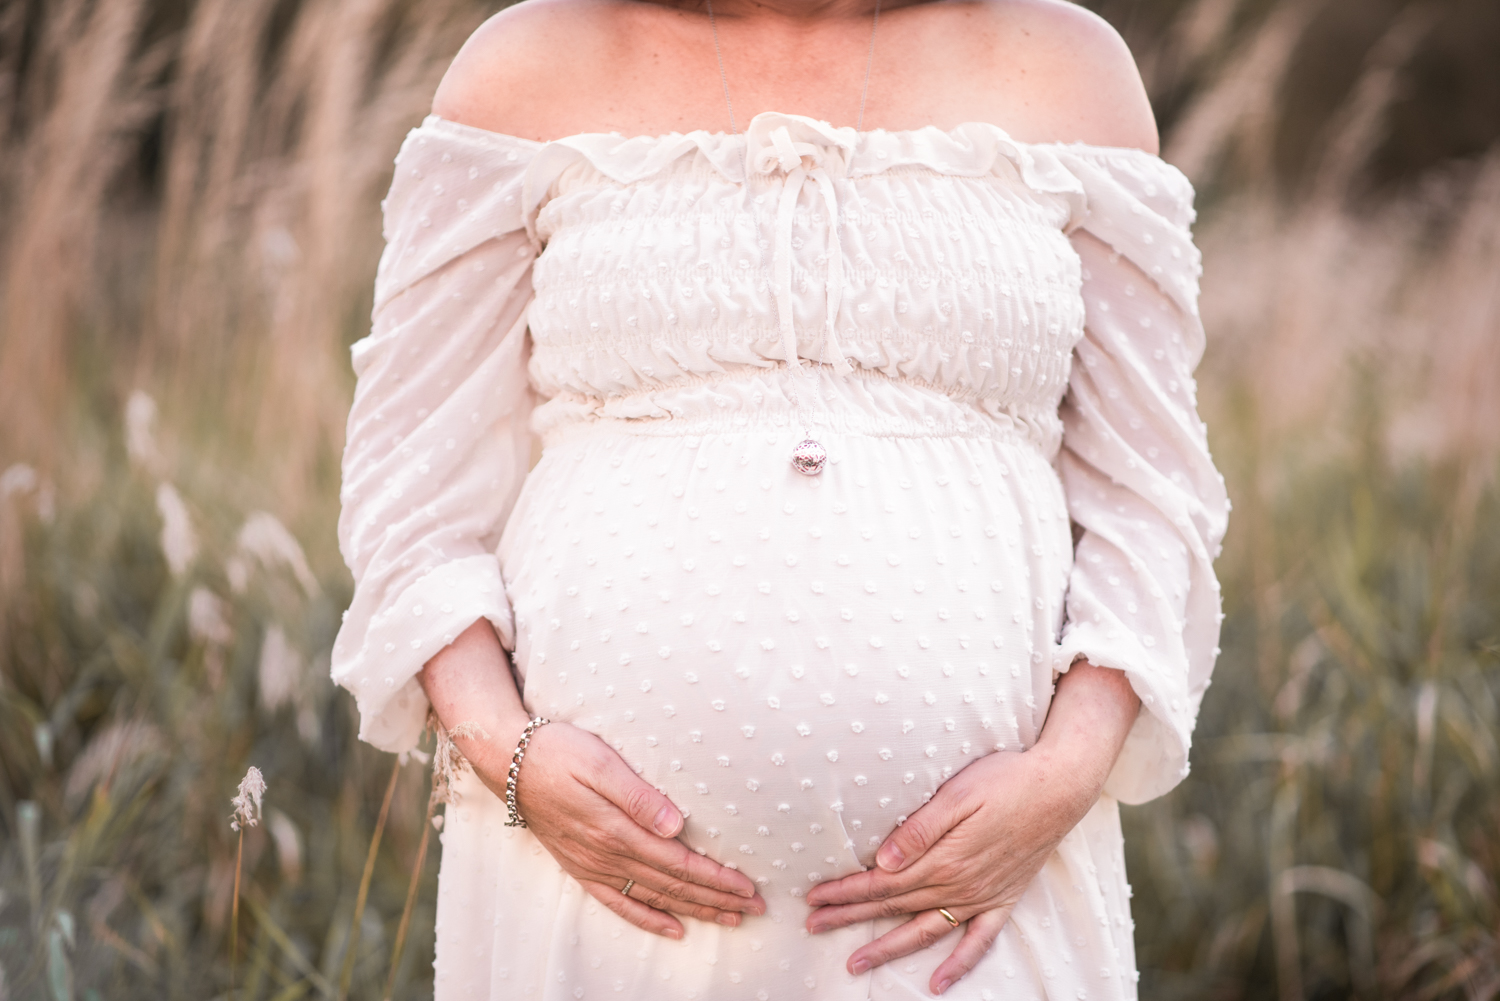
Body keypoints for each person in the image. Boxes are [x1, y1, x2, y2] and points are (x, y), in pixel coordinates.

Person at [329, 0, 1230, 996]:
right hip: (599, 907)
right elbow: (408, 484)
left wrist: (1063, 773)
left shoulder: (1070, 71)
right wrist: (509, 754)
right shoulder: (524, 69)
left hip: (978, 908)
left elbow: (1151, 493)